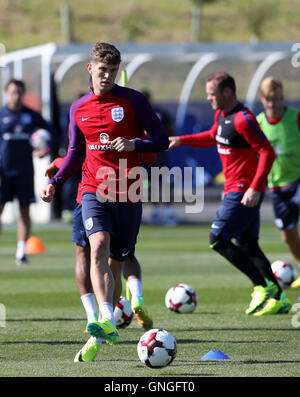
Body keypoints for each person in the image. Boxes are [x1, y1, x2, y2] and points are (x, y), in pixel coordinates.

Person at [40, 42, 169, 360]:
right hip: (93, 190)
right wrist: (55, 181)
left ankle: (110, 314)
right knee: (96, 244)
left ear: (118, 70)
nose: (107, 75)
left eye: (113, 70)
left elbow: (161, 140)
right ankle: (106, 319)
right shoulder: (78, 108)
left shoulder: (133, 100)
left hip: (128, 190)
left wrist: (134, 143)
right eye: (102, 69)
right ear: (90, 69)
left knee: (118, 259)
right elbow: (74, 153)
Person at [169, 71, 292, 316]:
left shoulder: (244, 119)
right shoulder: (221, 115)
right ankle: (278, 297)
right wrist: (182, 140)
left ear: (227, 93)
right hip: (234, 189)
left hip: (243, 191)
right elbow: (211, 136)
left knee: (217, 238)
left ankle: (262, 286)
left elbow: (267, 152)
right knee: (248, 244)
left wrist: (255, 187)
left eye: (212, 94)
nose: (208, 98)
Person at [0, 79, 58, 265]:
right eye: (12, 92)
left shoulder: (31, 116)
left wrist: (46, 149)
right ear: (6, 93)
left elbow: (54, 135)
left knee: (24, 211)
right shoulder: (1, 115)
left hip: (25, 172)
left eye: (19, 92)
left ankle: (21, 252)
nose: (15, 95)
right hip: (3, 172)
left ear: (23, 93)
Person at [257, 76, 300, 288]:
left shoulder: (296, 118)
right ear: (262, 99)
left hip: (298, 181)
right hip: (277, 188)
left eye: (275, 99)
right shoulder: (258, 124)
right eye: (268, 99)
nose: (272, 104)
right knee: (289, 238)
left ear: (282, 97)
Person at [141, 90, 178, 226]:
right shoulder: (137, 114)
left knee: (164, 183)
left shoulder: (159, 113)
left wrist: (160, 141)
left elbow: (170, 131)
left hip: (159, 154)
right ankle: (156, 212)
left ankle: (169, 213)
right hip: (144, 154)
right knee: (150, 184)